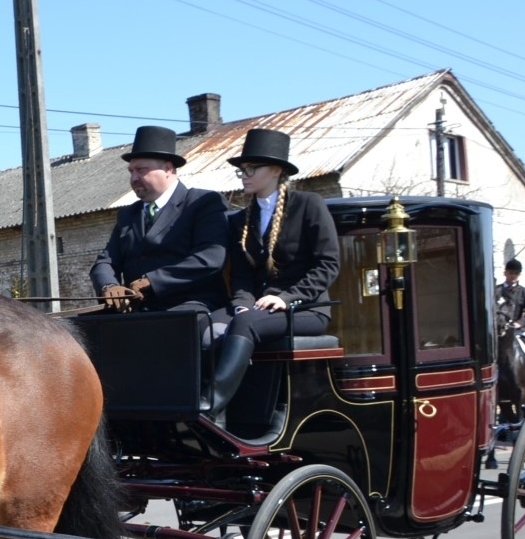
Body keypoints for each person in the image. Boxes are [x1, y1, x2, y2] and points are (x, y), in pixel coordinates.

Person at [205, 128, 339, 420]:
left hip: (307, 308)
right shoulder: (241, 218)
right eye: (242, 170)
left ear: (276, 170)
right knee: (201, 325)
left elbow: (328, 263)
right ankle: (198, 401)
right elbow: (240, 275)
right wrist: (241, 302)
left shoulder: (308, 205)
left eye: (252, 168)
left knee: (245, 323)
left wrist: (287, 298)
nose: (245, 174)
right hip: (255, 307)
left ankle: (212, 407)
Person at [89, 125, 228, 314]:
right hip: (137, 310)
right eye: (131, 171)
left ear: (168, 168)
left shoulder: (201, 203)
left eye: (141, 170)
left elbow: (209, 258)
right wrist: (109, 287)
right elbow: (105, 262)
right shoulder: (128, 214)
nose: (134, 177)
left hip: (189, 305)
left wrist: (152, 281)